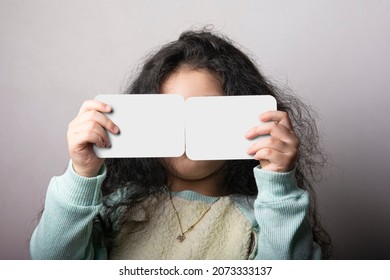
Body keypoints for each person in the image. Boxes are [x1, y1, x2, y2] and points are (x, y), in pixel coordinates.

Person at [30, 28, 331, 260]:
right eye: (170, 114)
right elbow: (50, 261)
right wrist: (81, 174)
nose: (186, 131)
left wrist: (278, 184)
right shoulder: (118, 210)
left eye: (206, 114)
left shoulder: (262, 219)